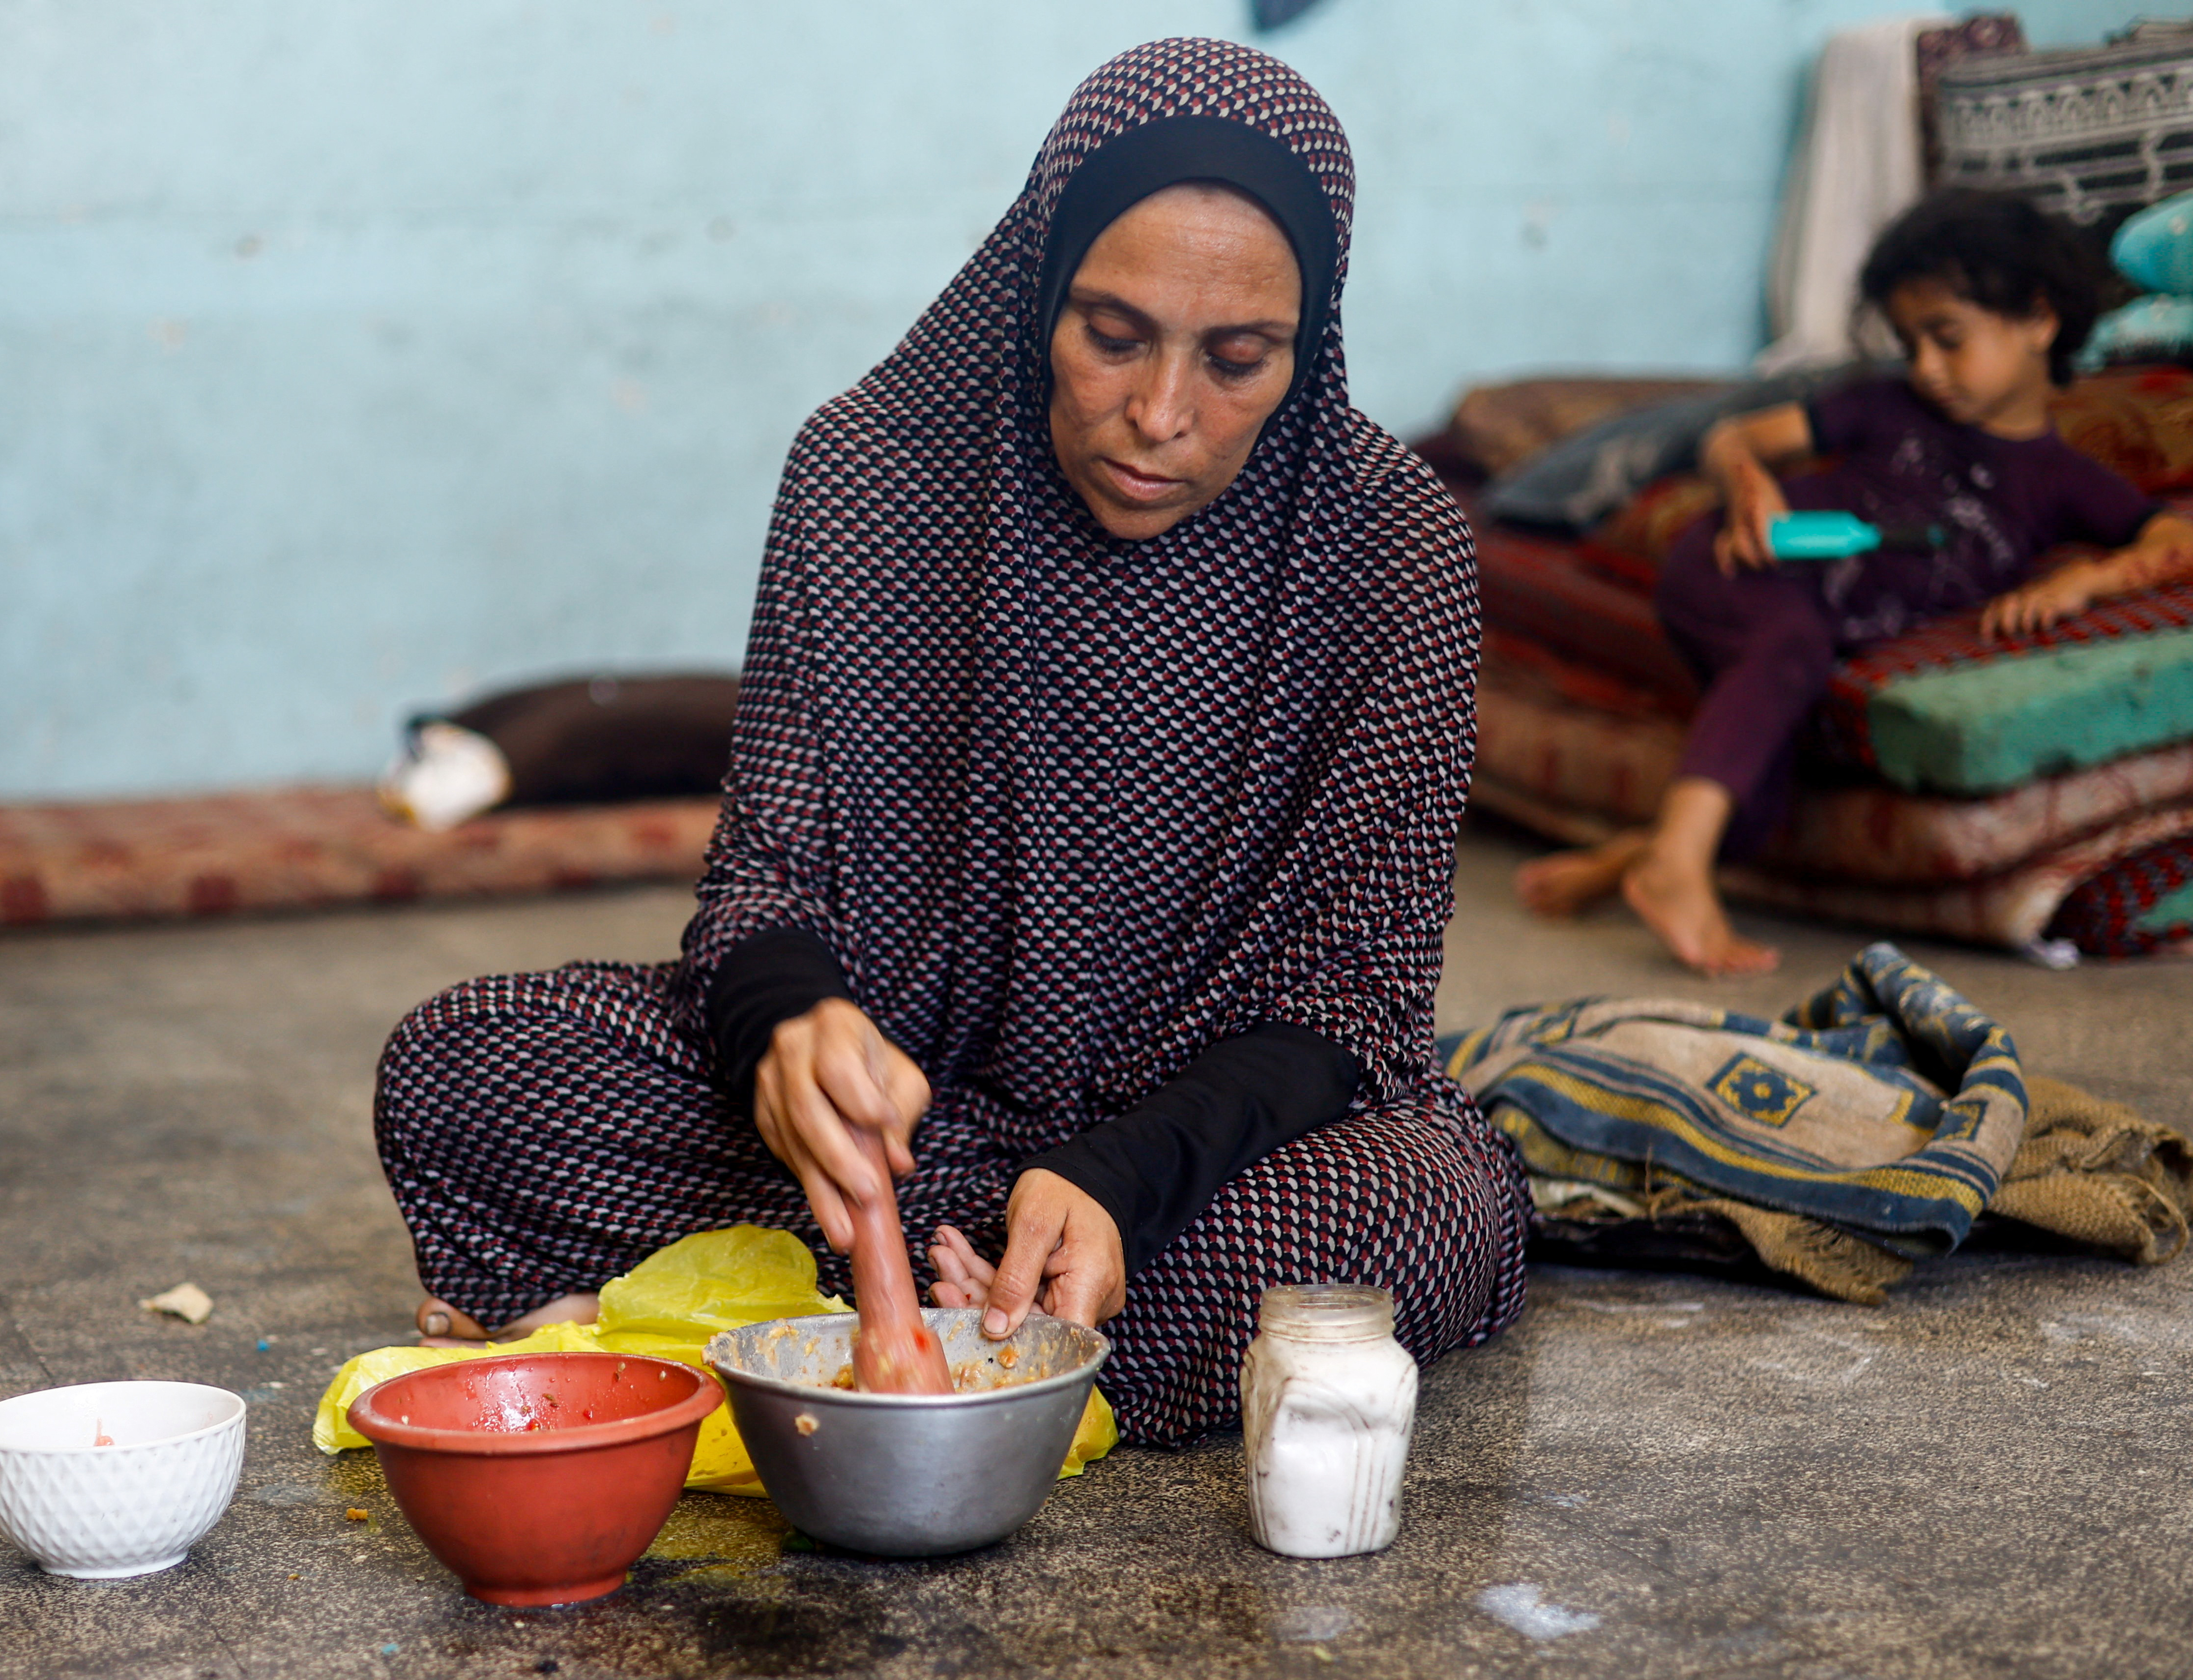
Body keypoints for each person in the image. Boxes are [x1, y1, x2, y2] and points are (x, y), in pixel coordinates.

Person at [372, 37, 1531, 1445]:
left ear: (1308, 341)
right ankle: (999, 1341)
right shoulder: (869, 474)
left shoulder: (1390, 548)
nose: (1160, 415)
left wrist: (1121, 1175)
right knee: (469, 1067)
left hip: (1206, 1157)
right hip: (901, 1132)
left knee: (1417, 1208)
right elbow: (764, 886)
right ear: (1035, 283)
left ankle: (778, 1330)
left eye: (1237, 361)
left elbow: (1353, 1001)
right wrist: (793, 1031)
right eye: (1110, 336)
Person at [1515, 188, 2193, 977]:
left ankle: (1627, 862)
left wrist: (2085, 583)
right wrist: (1743, 479)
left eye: (1946, 338)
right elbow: (1734, 434)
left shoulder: (2062, 479)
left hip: (1808, 636)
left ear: (2038, 318)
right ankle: (1674, 873)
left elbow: (2187, 546)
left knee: (1765, 797)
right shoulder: (1881, 406)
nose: (1922, 366)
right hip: (1738, 568)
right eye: (1909, 340)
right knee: (1791, 648)